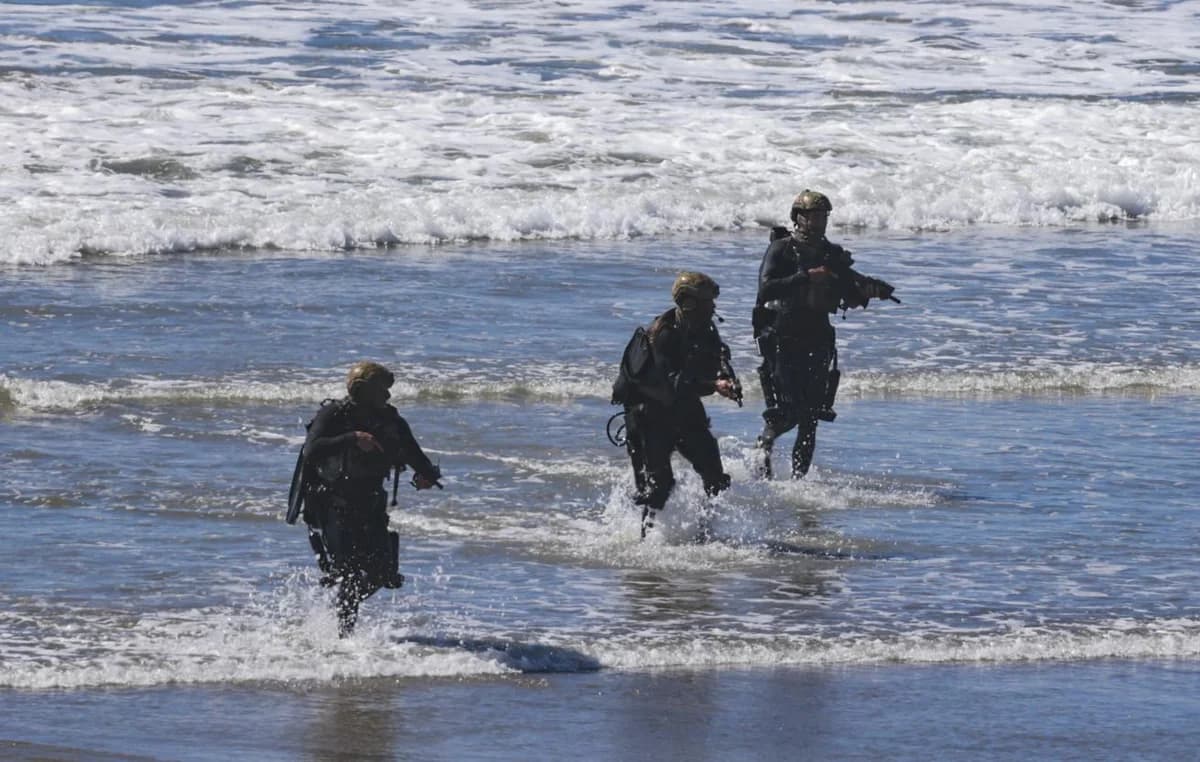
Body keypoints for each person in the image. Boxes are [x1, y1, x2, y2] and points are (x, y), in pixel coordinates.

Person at [753, 190, 897, 479]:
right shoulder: (782, 249)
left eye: (824, 216)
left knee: (811, 417)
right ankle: (764, 445)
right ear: (798, 218)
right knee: (788, 411)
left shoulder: (831, 253)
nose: (820, 222)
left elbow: (849, 288)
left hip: (818, 335)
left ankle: (798, 484)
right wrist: (806, 276)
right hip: (783, 335)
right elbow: (766, 289)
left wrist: (870, 291)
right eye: (814, 216)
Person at [295, 361, 442, 636]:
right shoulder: (334, 414)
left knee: (381, 574)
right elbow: (311, 450)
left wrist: (427, 476)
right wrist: (352, 438)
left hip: (372, 504)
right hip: (333, 505)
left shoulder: (391, 420)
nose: (387, 397)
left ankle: (341, 614)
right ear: (362, 390)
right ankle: (345, 638)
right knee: (350, 573)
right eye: (382, 390)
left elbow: (414, 454)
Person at [613, 272, 739, 537]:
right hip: (649, 415)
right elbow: (675, 384)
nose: (713, 307)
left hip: (684, 409)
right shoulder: (663, 335)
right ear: (689, 303)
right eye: (707, 302)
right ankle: (645, 544)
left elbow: (718, 354)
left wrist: (725, 374)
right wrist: (714, 386)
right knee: (658, 488)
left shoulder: (704, 326)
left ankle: (706, 535)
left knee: (715, 477)